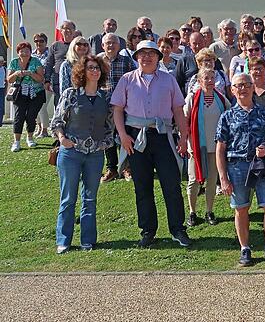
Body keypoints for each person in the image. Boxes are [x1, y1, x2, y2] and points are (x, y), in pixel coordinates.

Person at [111, 40, 191, 248]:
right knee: (142, 185)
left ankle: (177, 229)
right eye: (142, 54)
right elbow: (117, 109)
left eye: (151, 54)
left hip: (163, 136)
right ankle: (148, 230)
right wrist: (123, 136)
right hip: (136, 138)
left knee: (171, 184)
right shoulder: (127, 80)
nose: (147, 57)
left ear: (158, 57)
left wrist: (183, 137)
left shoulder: (168, 80)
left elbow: (178, 110)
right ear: (136, 57)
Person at [216, 73, 265, 266]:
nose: (243, 89)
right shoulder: (227, 116)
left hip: (262, 166)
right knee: (241, 209)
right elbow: (220, 148)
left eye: (247, 84)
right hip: (237, 166)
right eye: (239, 85)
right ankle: (245, 249)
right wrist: (223, 178)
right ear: (233, 89)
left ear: (252, 87)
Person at [50, 55, 113, 254]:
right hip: (71, 152)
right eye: (90, 68)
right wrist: (62, 139)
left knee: (90, 197)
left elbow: (111, 127)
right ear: (82, 72)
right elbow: (57, 120)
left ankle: (88, 240)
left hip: (95, 154)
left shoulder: (106, 97)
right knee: (68, 197)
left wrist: (105, 144)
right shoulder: (71, 94)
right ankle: (63, 240)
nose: (94, 71)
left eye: (97, 68)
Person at [185, 67, 230, 227]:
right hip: (196, 148)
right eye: (206, 78)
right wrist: (186, 142)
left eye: (212, 77)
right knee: (194, 181)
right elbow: (185, 121)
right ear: (199, 81)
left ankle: (209, 211)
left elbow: (229, 116)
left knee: (212, 181)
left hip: (216, 148)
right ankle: (192, 212)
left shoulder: (221, 98)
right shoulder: (192, 98)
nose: (210, 81)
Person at [98, 33, 137, 182]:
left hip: (124, 106)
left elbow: (135, 82)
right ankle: (112, 168)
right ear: (103, 46)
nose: (111, 45)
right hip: (104, 106)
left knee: (125, 136)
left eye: (113, 43)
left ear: (119, 45)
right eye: (107, 43)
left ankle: (127, 168)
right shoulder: (98, 62)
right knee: (108, 138)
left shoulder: (127, 62)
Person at [8, 42, 46, 152]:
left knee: (31, 115)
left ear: (30, 51)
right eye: (21, 51)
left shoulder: (36, 61)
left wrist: (30, 74)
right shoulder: (14, 62)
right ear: (18, 52)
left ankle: (30, 137)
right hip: (20, 93)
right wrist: (16, 74)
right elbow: (9, 79)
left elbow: (40, 79)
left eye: (27, 50)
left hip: (35, 93)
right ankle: (17, 141)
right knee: (19, 116)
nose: (24, 53)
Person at [45, 20, 77, 107]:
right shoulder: (55, 45)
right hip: (58, 81)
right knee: (60, 104)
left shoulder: (78, 45)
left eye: (70, 28)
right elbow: (49, 63)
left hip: (75, 80)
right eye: (64, 28)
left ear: (74, 31)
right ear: (61, 31)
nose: (67, 31)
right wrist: (47, 80)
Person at [31, 33, 52, 138]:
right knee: (35, 106)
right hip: (34, 84)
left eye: (41, 41)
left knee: (42, 106)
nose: (38, 43)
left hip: (47, 84)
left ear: (46, 42)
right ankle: (39, 127)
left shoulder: (50, 54)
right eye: (36, 41)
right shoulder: (32, 55)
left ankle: (45, 130)